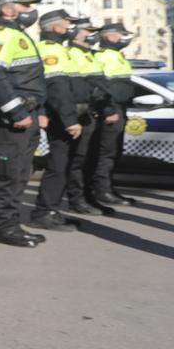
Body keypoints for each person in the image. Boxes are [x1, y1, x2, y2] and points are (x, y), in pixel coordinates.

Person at [0, 0, 48, 248]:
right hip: (11, 119)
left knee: (19, 173)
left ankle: (13, 224)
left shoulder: (20, 37)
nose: (31, 10)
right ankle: (4, 228)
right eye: (25, 5)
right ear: (7, 9)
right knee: (7, 174)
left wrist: (38, 112)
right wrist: (17, 111)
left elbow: (32, 82)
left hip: (27, 115)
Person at [28, 9, 82, 232]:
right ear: (55, 26)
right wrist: (70, 120)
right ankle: (44, 212)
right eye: (67, 24)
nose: (70, 28)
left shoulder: (59, 49)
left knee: (63, 165)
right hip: (59, 117)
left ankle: (51, 209)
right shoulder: (50, 50)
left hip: (63, 115)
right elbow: (57, 88)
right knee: (57, 166)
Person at [88, 22, 135, 207]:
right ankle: (102, 190)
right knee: (106, 152)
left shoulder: (117, 56)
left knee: (114, 151)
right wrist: (109, 110)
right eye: (120, 34)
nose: (124, 38)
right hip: (111, 110)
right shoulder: (104, 57)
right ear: (109, 36)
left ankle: (108, 187)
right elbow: (101, 88)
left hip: (120, 109)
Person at [64, 17, 109, 214]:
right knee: (78, 159)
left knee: (90, 157)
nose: (91, 34)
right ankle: (77, 199)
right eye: (87, 31)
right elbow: (77, 85)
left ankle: (88, 196)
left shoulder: (88, 54)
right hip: (81, 111)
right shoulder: (71, 53)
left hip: (93, 111)